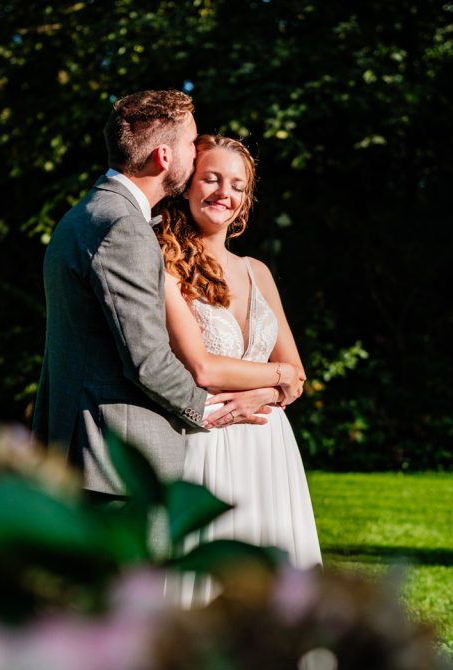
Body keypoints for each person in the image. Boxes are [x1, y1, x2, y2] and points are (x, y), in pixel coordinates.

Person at [32, 92, 296, 508]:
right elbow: (148, 361)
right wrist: (212, 411)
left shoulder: (88, 214)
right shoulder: (124, 228)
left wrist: (276, 385)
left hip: (93, 452)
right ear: (163, 156)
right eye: (192, 145)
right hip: (113, 459)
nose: (197, 155)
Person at [156, 134, 321, 606]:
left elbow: (298, 371)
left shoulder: (258, 272)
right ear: (187, 185)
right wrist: (279, 380)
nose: (222, 193)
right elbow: (203, 367)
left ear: (246, 199)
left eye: (236, 184)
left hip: (270, 446)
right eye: (210, 178)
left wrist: (269, 392)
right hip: (206, 442)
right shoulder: (166, 262)